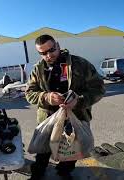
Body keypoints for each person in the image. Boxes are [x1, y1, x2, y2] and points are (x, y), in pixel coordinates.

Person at [25, 34, 105, 180]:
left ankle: (64, 172)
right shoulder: (38, 69)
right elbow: (29, 93)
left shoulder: (80, 64)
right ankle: (38, 174)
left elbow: (98, 89)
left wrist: (78, 101)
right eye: (43, 53)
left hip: (75, 116)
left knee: (71, 149)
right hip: (48, 118)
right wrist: (47, 97)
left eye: (51, 50)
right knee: (43, 152)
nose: (48, 55)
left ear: (58, 45)